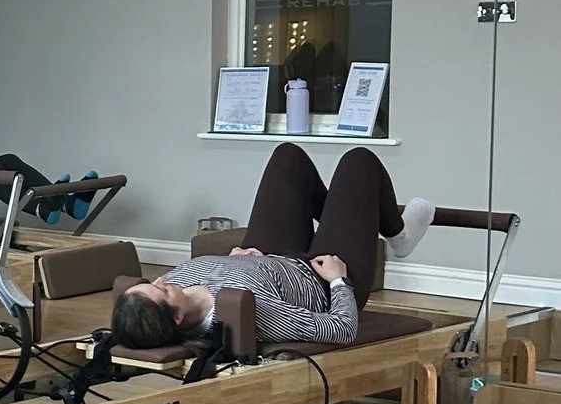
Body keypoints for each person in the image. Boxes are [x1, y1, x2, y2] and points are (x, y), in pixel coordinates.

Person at [111, 143, 433, 352]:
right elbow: (341, 328)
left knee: (288, 157)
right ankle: (399, 235)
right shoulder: (247, 312)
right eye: (162, 291)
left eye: (151, 283)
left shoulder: (175, 289)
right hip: (320, 272)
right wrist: (338, 281)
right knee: (358, 162)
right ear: (179, 317)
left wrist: (238, 261)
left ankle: (351, 214)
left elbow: (189, 282)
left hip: (264, 256)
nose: (162, 281)